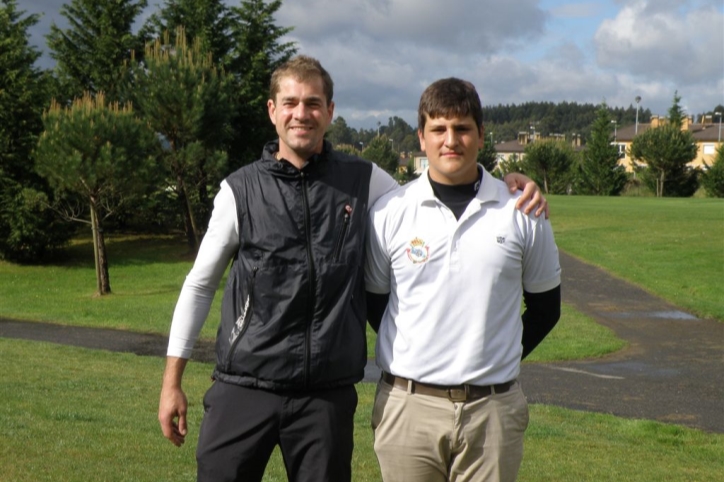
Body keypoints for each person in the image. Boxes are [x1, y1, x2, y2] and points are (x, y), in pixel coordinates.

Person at [158, 56, 546, 482]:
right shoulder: (240, 189)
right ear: (272, 111)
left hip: (324, 398)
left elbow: (431, 193)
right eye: (289, 103)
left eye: (312, 103)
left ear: (330, 111)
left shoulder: (365, 180)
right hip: (244, 387)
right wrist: (171, 381)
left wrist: (510, 182)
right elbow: (199, 286)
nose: (301, 113)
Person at [365, 78, 562, 482]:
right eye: (438, 129)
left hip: (492, 412)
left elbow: (546, 307)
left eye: (462, 128)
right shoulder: (390, 211)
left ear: (481, 135)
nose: (450, 140)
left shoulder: (523, 209)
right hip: (407, 407)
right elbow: (376, 303)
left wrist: (495, 356)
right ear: (421, 137)